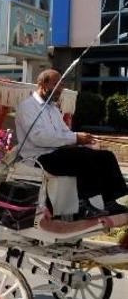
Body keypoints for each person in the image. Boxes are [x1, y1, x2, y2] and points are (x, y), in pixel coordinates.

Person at [16, 69, 128, 219]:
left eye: (61, 85)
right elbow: (40, 138)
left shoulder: (53, 109)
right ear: (42, 84)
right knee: (81, 157)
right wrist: (75, 138)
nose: (60, 89)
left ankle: (110, 201)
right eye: (56, 85)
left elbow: (64, 133)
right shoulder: (27, 107)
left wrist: (83, 139)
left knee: (105, 156)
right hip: (38, 158)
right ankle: (83, 206)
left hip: (57, 153)